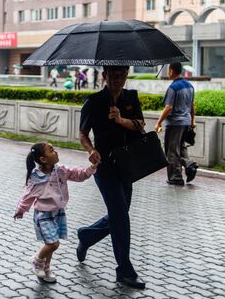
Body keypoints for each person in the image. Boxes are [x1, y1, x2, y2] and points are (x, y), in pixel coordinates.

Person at [77, 66, 146, 289]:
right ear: (105, 75)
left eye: (122, 76)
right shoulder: (94, 101)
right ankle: (124, 270)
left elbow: (140, 125)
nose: (118, 80)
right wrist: (90, 151)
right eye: (113, 76)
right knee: (120, 216)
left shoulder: (131, 97)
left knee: (120, 213)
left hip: (127, 165)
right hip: (104, 166)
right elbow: (83, 134)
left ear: (126, 75)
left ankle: (87, 236)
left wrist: (120, 119)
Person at [14, 142, 96, 283]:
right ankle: (37, 260)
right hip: (44, 215)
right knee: (53, 244)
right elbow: (27, 196)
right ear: (43, 159)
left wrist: (92, 168)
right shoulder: (36, 178)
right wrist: (21, 210)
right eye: (51, 150)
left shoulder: (61, 171)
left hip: (58, 213)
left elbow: (78, 175)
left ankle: (46, 269)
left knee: (50, 245)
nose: (56, 152)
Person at [155, 62, 198, 186]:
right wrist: (192, 121)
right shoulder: (190, 86)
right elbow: (192, 106)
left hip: (175, 123)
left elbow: (168, 107)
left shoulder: (173, 87)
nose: (168, 72)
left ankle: (176, 177)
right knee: (181, 147)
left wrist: (158, 122)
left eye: (169, 70)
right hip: (185, 122)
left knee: (172, 150)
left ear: (172, 71)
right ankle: (190, 165)